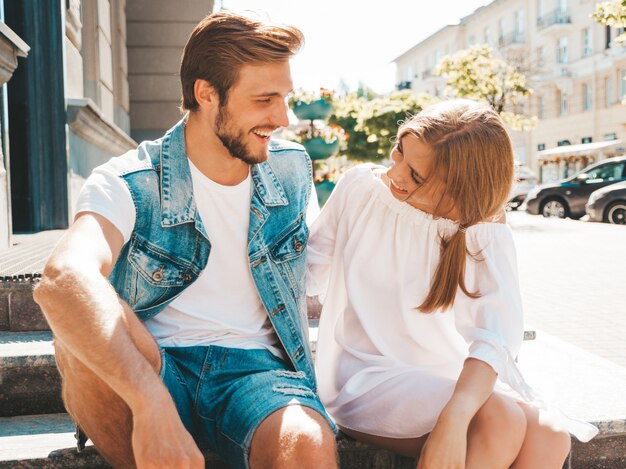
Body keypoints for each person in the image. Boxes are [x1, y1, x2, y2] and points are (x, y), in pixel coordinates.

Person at [34, 11, 337, 469]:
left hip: (259, 375)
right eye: (265, 99)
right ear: (206, 94)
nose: (283, 117)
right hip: (155, 366)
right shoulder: (129, 181)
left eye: (285, 97)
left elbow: (329, 268)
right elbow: (61, 278)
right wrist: (150, 402)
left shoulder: (291, 168)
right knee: (78, 323)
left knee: (307, 441)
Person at [307, 100, 598, 468]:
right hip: (366, 376)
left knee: (551, 435)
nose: (396, 174)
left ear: (460, 191)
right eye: (399, 153)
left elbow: (495, 337)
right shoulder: (360, 188)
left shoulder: (481, 230)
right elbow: (304, 273)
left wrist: (454, 418)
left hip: (445, 376)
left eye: (416, 176)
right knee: (500, 420)